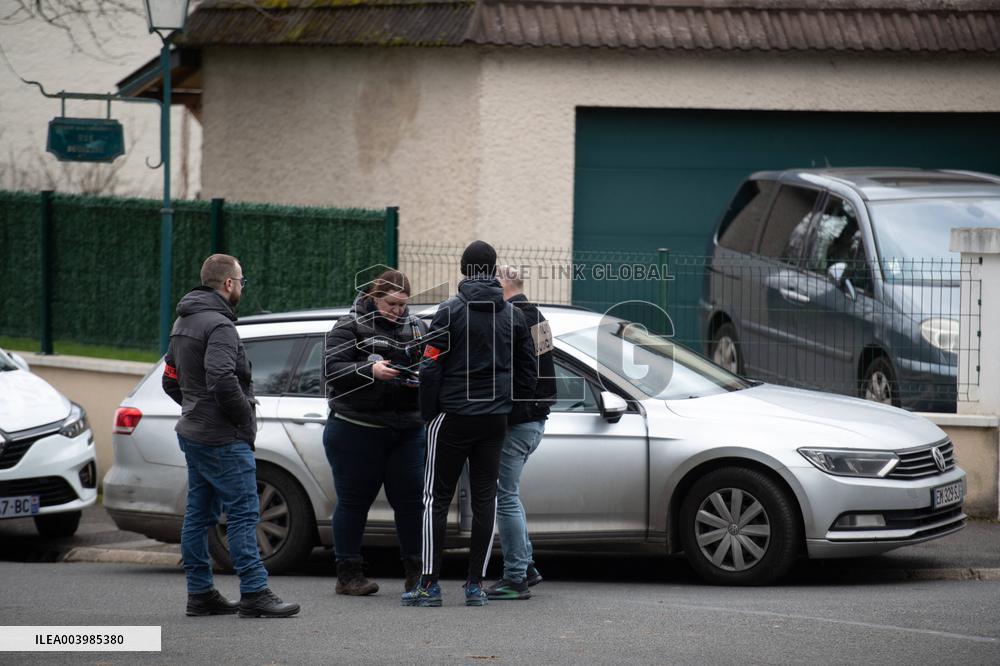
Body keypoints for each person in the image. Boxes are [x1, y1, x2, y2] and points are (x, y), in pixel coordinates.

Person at [162, 253, 299, 619]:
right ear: (228, 284)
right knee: (242, 514)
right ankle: (255, 591)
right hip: (222, 436)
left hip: (194, 430)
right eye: (241, 280)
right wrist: (242, 419)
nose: (241, 285)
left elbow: (169, 380)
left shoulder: (183, 321)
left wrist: (194, 405)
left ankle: (201, 593)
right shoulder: (219, 326)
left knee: (199, 515)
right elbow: (222, 378)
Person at [403, 241, 537, 607]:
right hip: (494, 420)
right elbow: (528, 373)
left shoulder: (448, 312)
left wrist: (429, 412)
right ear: (493, 271)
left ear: (464, 270)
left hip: (452, 417)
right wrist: (509, 410)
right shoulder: (514, 316)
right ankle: (474, 585)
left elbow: (430, 366)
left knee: (436, 498)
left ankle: (429, 585)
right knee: (485, 501)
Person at [323, 269, 427, 595]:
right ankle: (348, 575)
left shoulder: (417, 327)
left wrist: (423, 377)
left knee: (411, 504)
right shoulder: (348, 325)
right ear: (373, 296)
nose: (398, 311)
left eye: (403, 305)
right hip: (357, 428)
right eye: (392, 304)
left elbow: (435, 364)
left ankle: (416, 574)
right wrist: (368, 370)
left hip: (407, 429)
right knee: (354, 503)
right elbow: (332, 369)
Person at [485, 265, 557, 600]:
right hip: (536, 418)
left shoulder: (512, 318)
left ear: (501, 285)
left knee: (506, 496)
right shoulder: (538, 317)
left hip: (518, 420)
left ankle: (515, 577)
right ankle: (525, 566)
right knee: (510, 494)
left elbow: (513, 374)